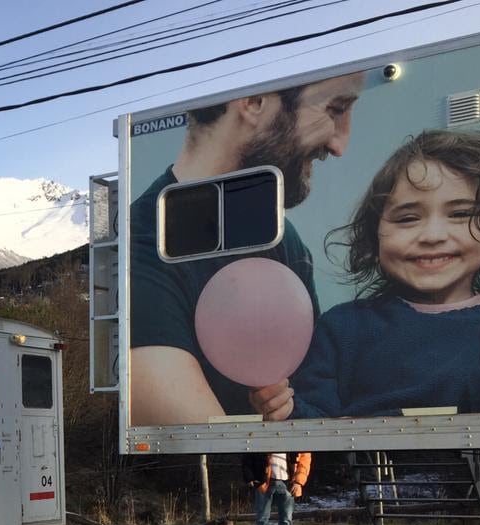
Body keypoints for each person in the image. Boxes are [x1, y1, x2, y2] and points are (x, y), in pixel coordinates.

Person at [130, 74, 365, 425]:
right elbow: (195, 436)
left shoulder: (285, 241)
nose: (340, 145)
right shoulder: (144, 238)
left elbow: (316, 391)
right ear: (254, 102)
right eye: (335, 108)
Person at [252, 129, 480, 420]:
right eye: (408, 218)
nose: (433, 235)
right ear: (375, 234)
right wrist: (285, 409)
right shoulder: (341, 327)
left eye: (460, 214)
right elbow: (315, 428)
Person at [243, 452, 311, 525]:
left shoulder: (295, 437)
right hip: (263, 481)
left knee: (286, 519)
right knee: (262, 518)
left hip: (287, 482)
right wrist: (250, 476)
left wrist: (298, 482)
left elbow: (304, 459)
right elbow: (248, 455)